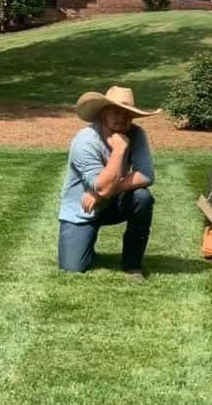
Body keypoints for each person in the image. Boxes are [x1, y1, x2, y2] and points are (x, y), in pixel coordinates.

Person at [58, 86, 159, 280]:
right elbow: (102, 185)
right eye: (116, 111)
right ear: (103, 113)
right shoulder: (85, 141)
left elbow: (146, 175)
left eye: (128, 113)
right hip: (81, 210)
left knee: (142, 198)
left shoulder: (137, 134)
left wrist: (99, 195)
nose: (123, 117)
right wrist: (119, 149)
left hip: (110, 204)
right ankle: (86, 237)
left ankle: (132, 265)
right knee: (73, 268)